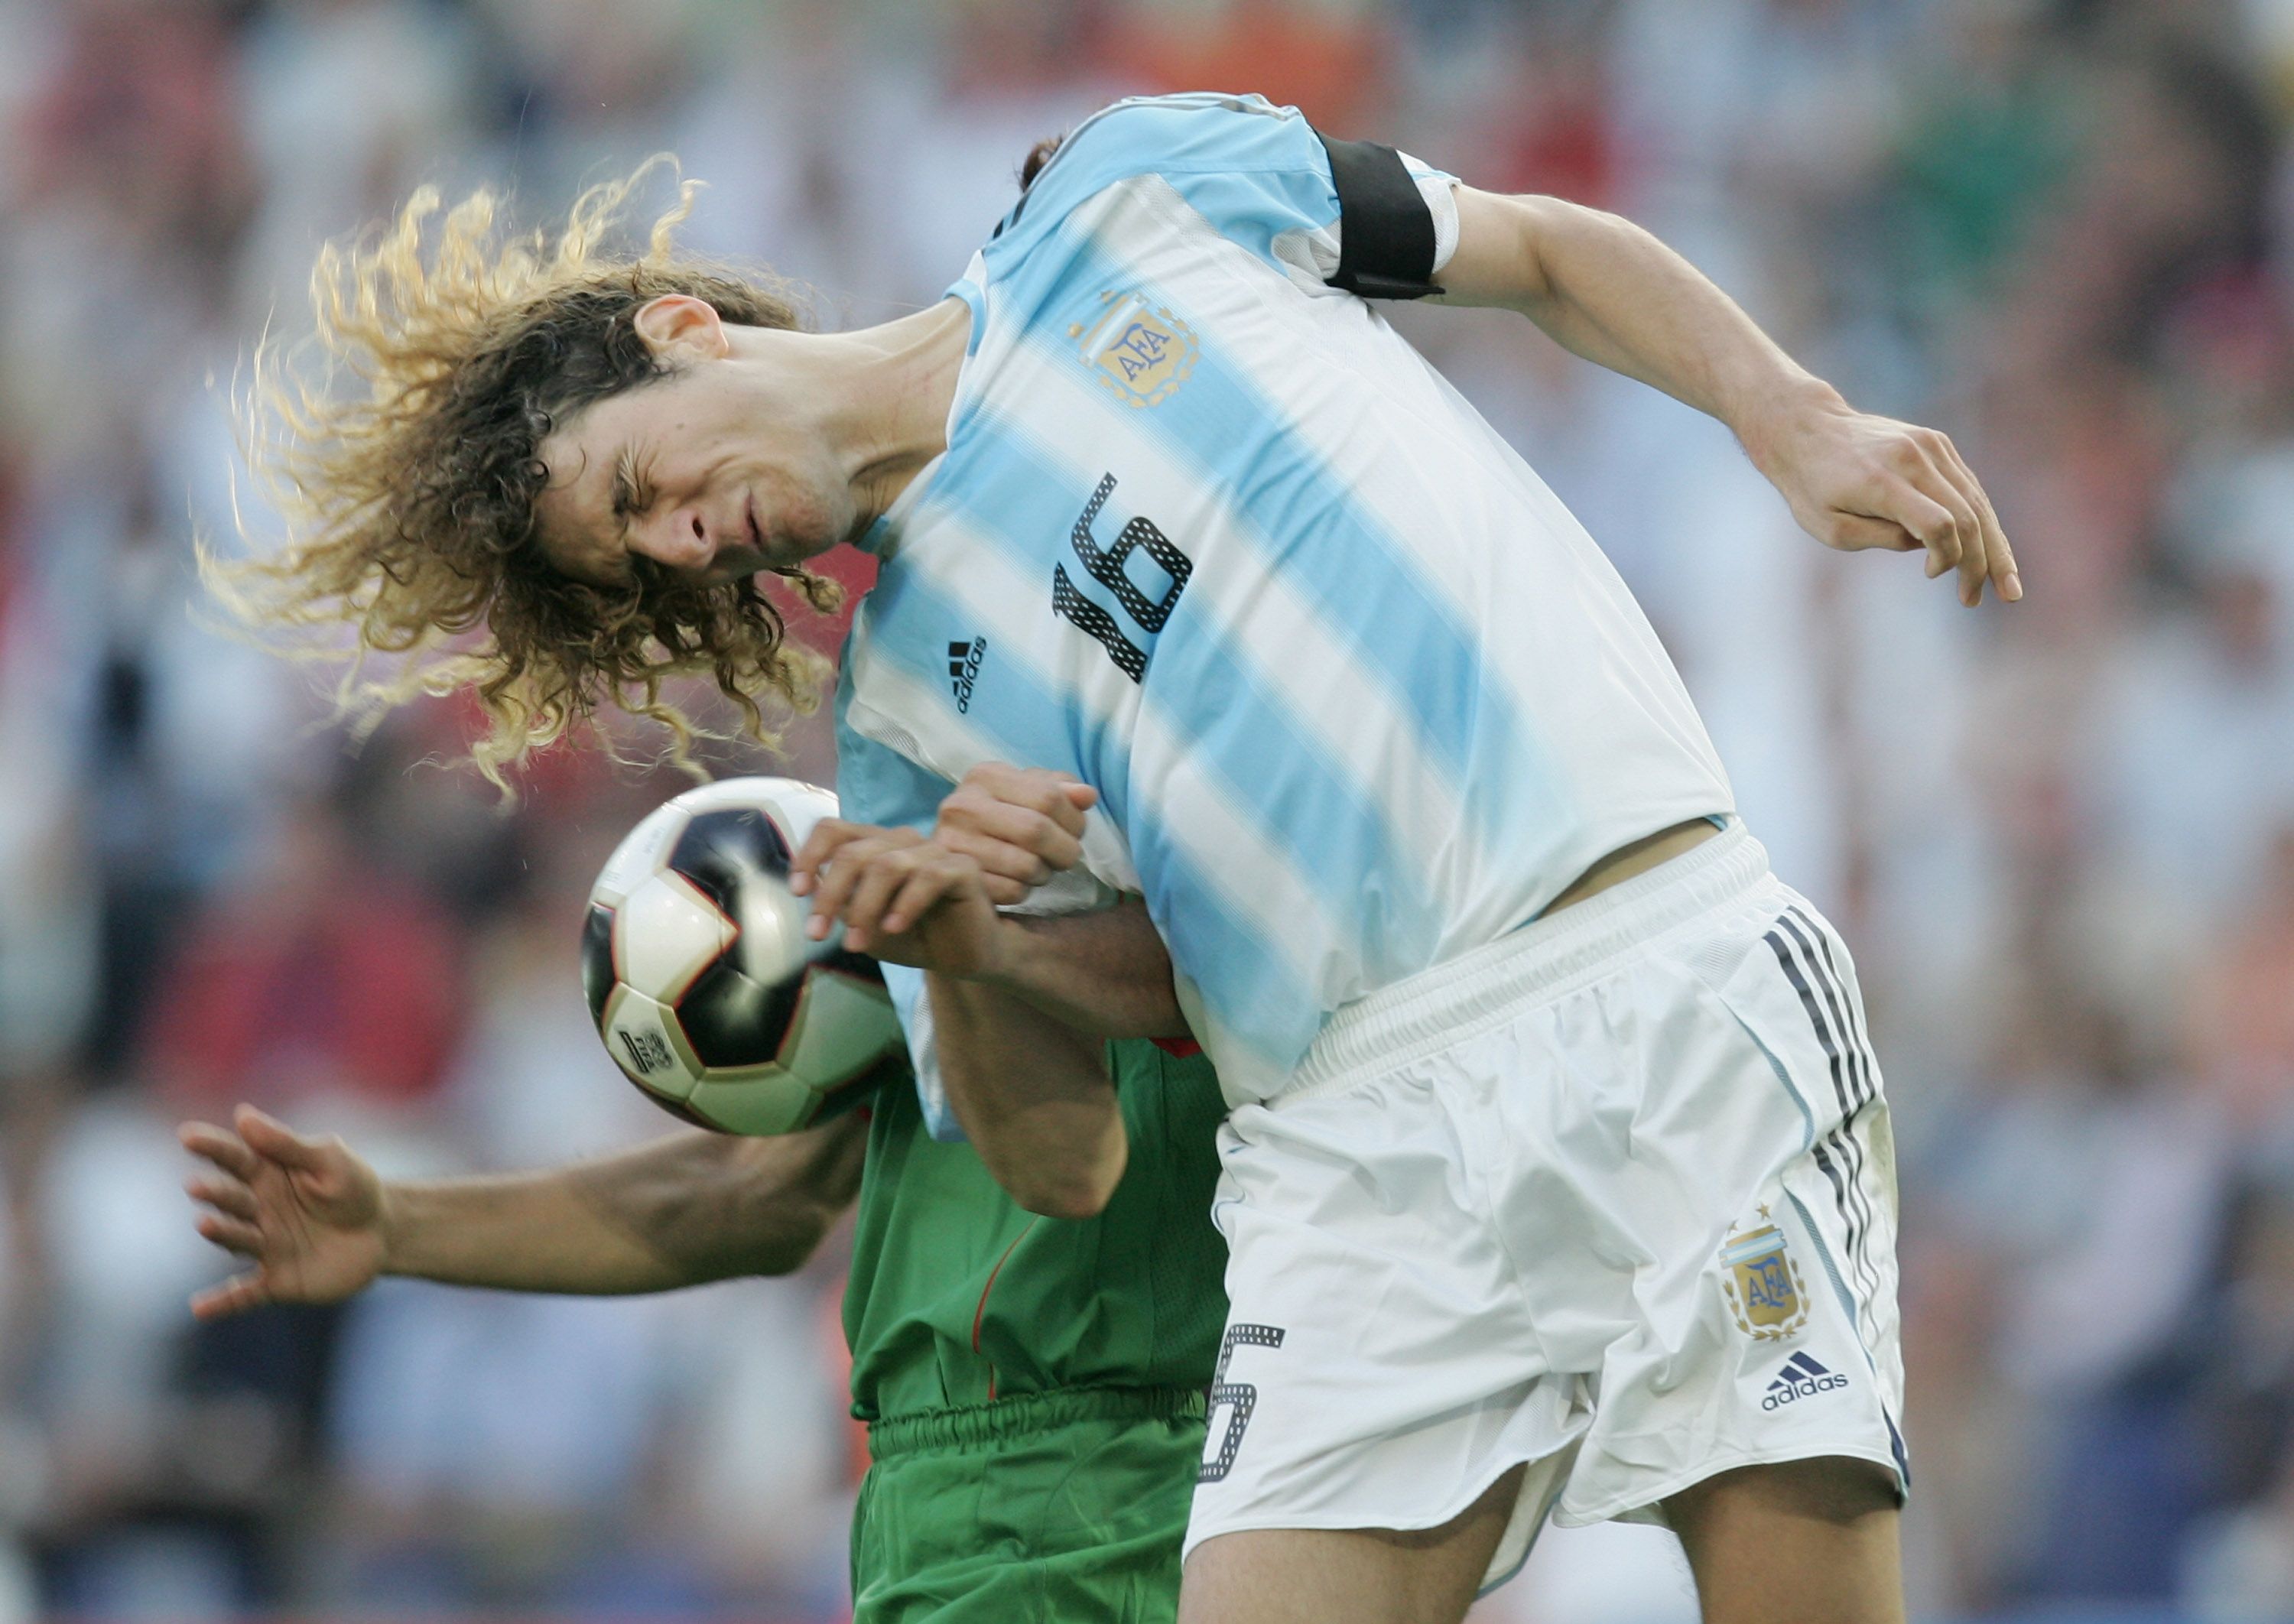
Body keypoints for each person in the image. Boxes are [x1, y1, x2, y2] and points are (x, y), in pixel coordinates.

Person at [224, 91, 2024, 1624]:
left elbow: (1542, 250)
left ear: (683, 329)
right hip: (1348, 1137)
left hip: (1646, 963)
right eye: (648, 564)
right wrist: (973, 949)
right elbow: (1063, 1155)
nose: (689, 540)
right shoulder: (902, 726)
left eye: (641, 490)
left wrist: (1791, 416)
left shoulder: (1135, 193)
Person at [181, 779, 1232, 1624]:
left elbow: (1070, 1166)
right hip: (938, 1500)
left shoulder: (1159, 810)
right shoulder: (921, 804)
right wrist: (397, 1224)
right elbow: (754, 1188)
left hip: (1107, 1479)